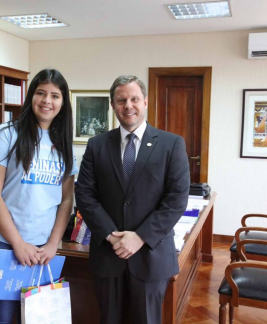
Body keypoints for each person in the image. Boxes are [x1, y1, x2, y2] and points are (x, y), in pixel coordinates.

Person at [75, 75, 190, 324]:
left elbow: (177, 199)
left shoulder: (171, 144)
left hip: (152, 255)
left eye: (134, 99)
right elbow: (84, 194)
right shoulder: (96, 145)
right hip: (108, 253)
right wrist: (111, 235)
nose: (129, 105)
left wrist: (139, 237)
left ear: (145, 102)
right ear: (112, 105)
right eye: (121, 100)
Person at [0, 69, 78, 324]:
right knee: (2, 318)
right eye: (41, 93)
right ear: (31, 96)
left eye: (55, 96)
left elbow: (66, 200)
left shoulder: (64, 145)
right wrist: (17, 243)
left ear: (62, 102)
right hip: (4, 243)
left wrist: (52, 244)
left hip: (43, 248)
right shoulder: (7, 133)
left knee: (39, 318)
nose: (47, 101)